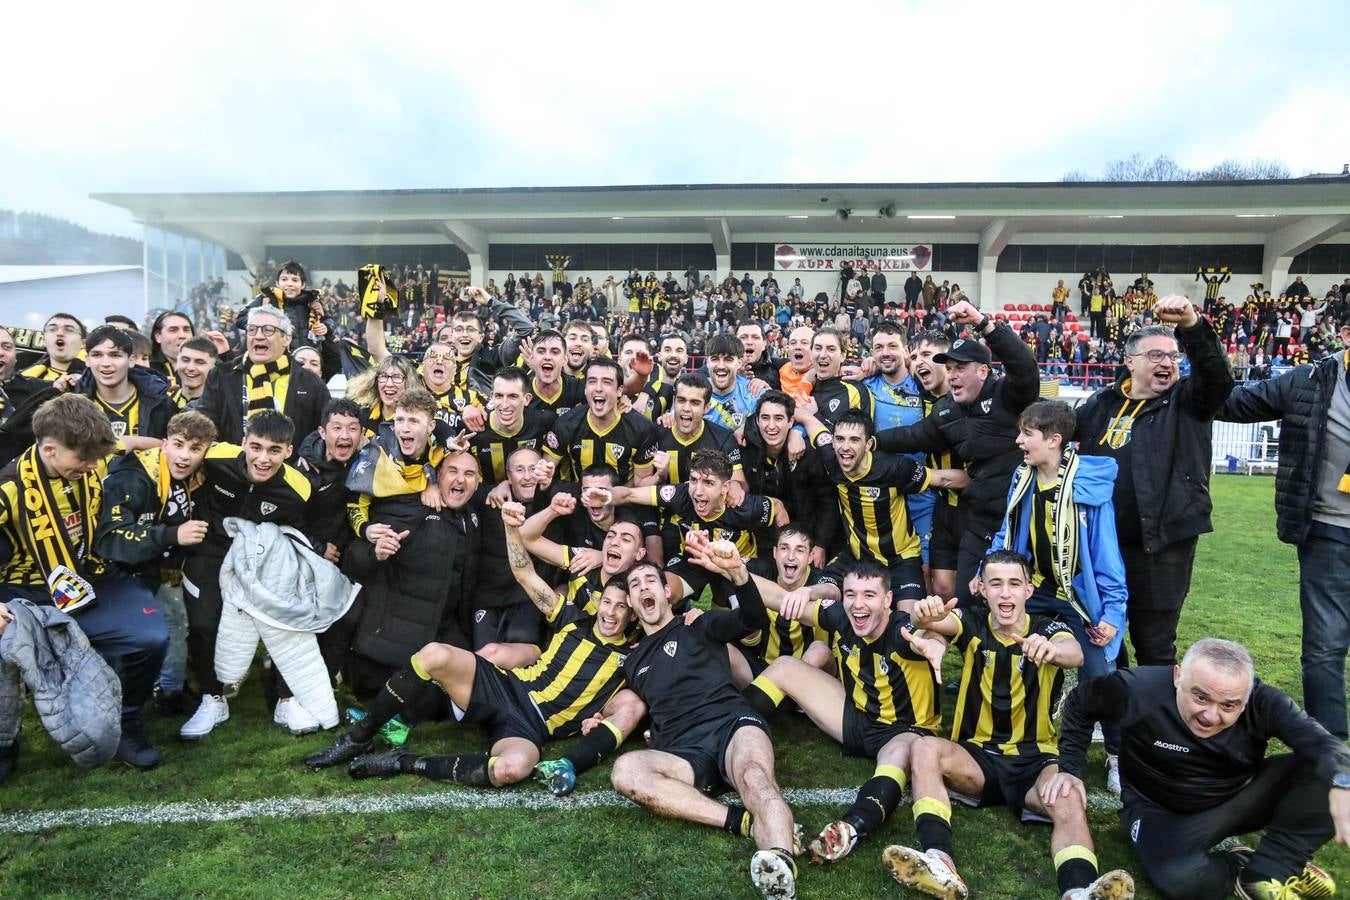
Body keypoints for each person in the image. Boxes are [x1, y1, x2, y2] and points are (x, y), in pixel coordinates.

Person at [304, 501, 644, 792]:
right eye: (606, 603)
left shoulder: (635, 653)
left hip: (532, 726)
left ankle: (404, 762)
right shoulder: (571, 617)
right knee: (434, 654)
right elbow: (525, 574)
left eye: (620, 607)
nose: (610, 612)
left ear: (633, 612)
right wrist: (511, 528)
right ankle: (359, 736)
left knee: (513, 768)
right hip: (506, 686)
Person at [883, 552, 1134, 900]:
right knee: (924, 747)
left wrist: (1049, 649)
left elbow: (1073, 652)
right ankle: (939, 862)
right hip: (977, 760)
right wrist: (922, 614)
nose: (1005, 593)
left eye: (1014, 584)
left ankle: (1078, 890)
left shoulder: (1049, 627)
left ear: (1028, 590)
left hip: (1035, 761)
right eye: (996, 584)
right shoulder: (971, 621)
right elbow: (938, 623)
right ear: (981, 589)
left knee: (1069, 796)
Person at [1058, 638, 1348, 900]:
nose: (1211, 715)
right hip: (1155, 808)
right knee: (1179, 879)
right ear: (1177, 676)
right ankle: (1241, 864)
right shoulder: (1136, 689)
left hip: (1240, 797)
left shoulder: (1264, 702)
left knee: (1332, 772)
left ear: (1247, 698)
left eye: (1229, 706)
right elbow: (1080, 702)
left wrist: (1342, 782)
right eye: (1200, 697)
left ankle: (1274, 868)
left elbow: (1324, 744)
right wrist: (1071, 768)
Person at [610, 544, 800, 900]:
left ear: (666, 592)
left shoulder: (698, 624)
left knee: (755, 778)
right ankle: (740, 820)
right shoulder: (632, 663)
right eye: (635, 586)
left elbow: (753, 620)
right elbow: (644, 705)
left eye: (651, 580)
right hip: (684, 750)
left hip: (730, 724)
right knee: (627, 771)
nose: (643, 588)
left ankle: (780, 863)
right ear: (633, 608)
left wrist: (739, 575)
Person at [0, 393, 168, 769]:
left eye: (97, 457)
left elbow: (123, 445)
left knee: (152, 638)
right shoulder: (9, 489)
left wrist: (159, 444)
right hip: (25, 593)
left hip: (87, 575)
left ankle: (125, 720)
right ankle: (4, 741)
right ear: (49, 450)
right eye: (84, 460)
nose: (93, 466)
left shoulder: (89, 452)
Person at [739, 558, 942, 864]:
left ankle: (850, 828)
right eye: (851, 594)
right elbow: (780, 598)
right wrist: (735, 571)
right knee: (784, 668)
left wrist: (936, 642)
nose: (858, 605)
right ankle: (725, 728)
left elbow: (931, 635)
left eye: (869, 595)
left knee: (901, 753)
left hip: (905, 732)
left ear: (888, 600)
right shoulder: (843, 617)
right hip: (856, 717)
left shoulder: (904, 630)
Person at [1074, 296, 1234, 667]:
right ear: (1130, 362)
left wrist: (1192, 326)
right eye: (1156, 355)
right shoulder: (1101, 405)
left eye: (1172, 356)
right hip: (1103, 543)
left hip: (1162, 545)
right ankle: (1116, 718)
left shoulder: (1188, 402)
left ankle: (1156, 723)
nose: (1167, 363)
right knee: (1102, 635)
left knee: (1154, 644)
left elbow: (1218, 378)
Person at [1215, 319, 1350, 739]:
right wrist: (1195, 361)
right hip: (1329, 531)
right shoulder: (1308, 380)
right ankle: (1331, 756)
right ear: (1346, 335)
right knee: (1324, 649)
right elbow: (1231, 404)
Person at [988, 399, 1128, 793]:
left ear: (1054, 440)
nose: (1018, 441)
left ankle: (1118, 755)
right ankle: (1021, 738)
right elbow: (1006, 531)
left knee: (1101, 676)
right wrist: (989, 571)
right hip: (1035, 593)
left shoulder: (1086, 487)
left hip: (1079, 601)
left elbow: (1107, 556)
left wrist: (1113, 613)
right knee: (1011, 653)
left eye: (1026, 434)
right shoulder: (1023, 478)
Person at [873, 301, 1042, 606]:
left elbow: (1024, 366)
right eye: (949, 369)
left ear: (983, 370)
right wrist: (869, 441)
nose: (952, 375)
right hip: (977, 514)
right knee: (959, 594)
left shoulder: (1007, 395)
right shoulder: (946, 409)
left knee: (997, 598)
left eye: (960, 368)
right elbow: (913, 436)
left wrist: (984, 323)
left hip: (1014, 517)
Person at [178, 410, 316, 739]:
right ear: (243, 443)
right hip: (210, 549)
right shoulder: (216, 456)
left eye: (274, 450)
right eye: (256, 447)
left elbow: (295, 537)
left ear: (289, 451)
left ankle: (286, 698)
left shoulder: (299, 489)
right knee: (202, 623)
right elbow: (170, 451)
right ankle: (213, 698)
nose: (263, 458)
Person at [94, 410, 217, 716]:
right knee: (135, 638)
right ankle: (115, 705)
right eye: (178, 444)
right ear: (164, 444)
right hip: (113, 576)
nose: (185, 456)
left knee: (176, 621)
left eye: (195, 449)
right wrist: (173, 535)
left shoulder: (191, 474)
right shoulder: (133, 477)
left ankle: (170, 690)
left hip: (157, 572)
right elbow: (112, 539)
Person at [198, 306, 331, 453]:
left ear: (287, 338)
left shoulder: (311, 383)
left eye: (268, 330)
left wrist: (309, 456)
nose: (259, 336)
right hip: (232, 471)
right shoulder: (221, 375)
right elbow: (204, 427)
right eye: (252, 329)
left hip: (290, 472)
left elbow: (325, 431)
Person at [543, 357, 659, 484]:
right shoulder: (566, 423)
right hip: (579, 499)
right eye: (592, 382)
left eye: (607, 382)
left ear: (619, 390)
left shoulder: (641, 428)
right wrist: (542, 474)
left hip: (623, 500)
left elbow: (641, 483)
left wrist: (613, 497)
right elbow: (546, 472)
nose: (598, 388)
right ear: (585, 388)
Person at [21, 313, 85, 381]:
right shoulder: (20, 382)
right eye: (52, 329)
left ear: (83, 343)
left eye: (69, 330)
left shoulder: (94, 380)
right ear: (44, 341)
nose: (59, 333)